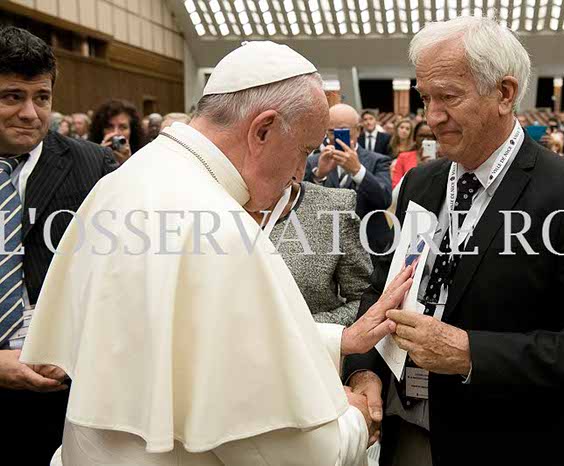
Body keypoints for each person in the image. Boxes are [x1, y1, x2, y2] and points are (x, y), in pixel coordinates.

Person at [20, 40, 411, 466]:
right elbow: (286, 453)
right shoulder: (220, 227)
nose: (300, 174)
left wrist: (341, 340)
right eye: (302, 151)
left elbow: (172, 327)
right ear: (262, 130)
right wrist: (353, 420)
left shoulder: (129, 178)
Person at [345, 15, 564, 466]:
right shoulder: (422, 182)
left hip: (507, 445)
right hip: (404, 435)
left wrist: (470, 353)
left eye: (449, 97)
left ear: (504, 93)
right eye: (425, 98)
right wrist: (364, 369)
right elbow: (382, 289)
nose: (431, 117)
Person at [0, 26, 117, 465]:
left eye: (42, 97)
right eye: (12, 96)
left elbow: (121, 277)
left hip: (68, 396)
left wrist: (72, 350)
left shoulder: (94, 167)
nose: (30, 113)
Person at [266, 179, 372, 326]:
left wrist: (308, 328)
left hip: (305, 346)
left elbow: (365, 300)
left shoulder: (333, 207)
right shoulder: (224, 202)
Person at [305, 104, 393, 255]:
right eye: (332, 132)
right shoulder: (313, 162)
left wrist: (358, 171)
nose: (337, 137)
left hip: (369, 247)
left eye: (343, 131)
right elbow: (301, 205)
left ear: (358, 130)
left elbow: (384, 200)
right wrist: (319, 176)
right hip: (325, 248)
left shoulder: (378, 161)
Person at [89, 99, 145, 165]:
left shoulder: (143, 156)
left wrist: (127, 163)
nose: (116, 133)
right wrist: (98, 157)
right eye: (109, 127)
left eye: (123, 127)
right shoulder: (88, 154)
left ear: (132, 130)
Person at [391, 121, 436, 188]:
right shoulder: (403, 157)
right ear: (415, 137)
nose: (425, 139)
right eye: (421, 136)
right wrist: (419, 169)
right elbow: (396, 186)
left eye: (430, 136)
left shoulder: (444, 158)